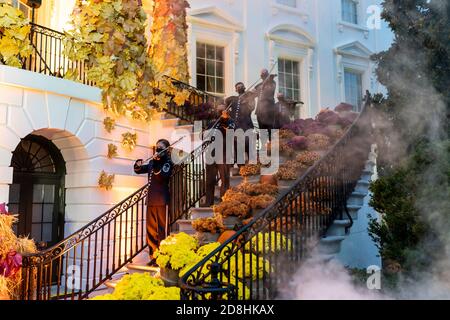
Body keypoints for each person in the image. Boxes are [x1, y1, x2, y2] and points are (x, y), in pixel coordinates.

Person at [134, 139, 173, 266]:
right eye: (156, 147)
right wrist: (138, 164)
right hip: (151, 200)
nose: (157, 149)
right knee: (150, 231)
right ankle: (154, 256)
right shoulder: (152, 162)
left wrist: (158, 162)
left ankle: (163, 256)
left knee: (162, 231)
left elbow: (162, 176)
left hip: (162, 201)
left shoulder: (168, 163)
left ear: (166, 150)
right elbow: (139, 170)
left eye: (160, 147)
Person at [204, 104, 235, 206]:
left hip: (224, 153)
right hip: (211, 154)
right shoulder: (213, 123)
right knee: (209, 181)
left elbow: (231, 133)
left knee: (224, 180)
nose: (220, 111)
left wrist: (225, 121)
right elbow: (205, 134)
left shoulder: (231, 122)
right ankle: (209, 203)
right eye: (218, 109)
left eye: (222, 109)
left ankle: (224, 202)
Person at [254, 69, 277, 140]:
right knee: (262, 130)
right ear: (261, 76)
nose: (264, 76)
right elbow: (253, 94)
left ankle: (272, 148)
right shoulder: (258, 86)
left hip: (269, 110)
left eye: (265, 74)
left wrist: (270, 78)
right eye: (262, 74)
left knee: (271, 130)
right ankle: (263, 149)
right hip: (260, 111)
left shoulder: (272, 83)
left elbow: (270, 89)